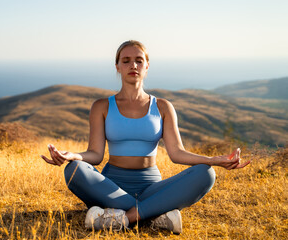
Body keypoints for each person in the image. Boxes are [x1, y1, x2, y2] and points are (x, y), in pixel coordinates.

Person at [41, 40, 250, 234]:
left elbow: (176, 153)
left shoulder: (163, 107)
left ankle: (124, 217)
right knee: (74, 169)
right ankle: (153, 214)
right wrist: (73, 156)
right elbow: (95, 155)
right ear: (118, 67)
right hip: (110, 186)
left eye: (139, 60)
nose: (133, 65)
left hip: (151, 187)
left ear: (147, 66)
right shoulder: (101, 107)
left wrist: (212, 160)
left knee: (207, 174)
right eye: (126, 61)